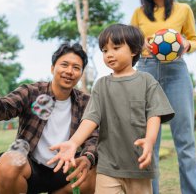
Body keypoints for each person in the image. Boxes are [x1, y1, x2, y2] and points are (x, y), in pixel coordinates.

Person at [0, 16, 98, 194]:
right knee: (7, 164)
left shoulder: (86, 102)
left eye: (76, 68)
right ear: (52, 68)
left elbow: (93, 140)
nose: (69, 71)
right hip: (30, 168)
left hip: (65, 169)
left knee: (95, 171)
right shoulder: (32, 92)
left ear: (81, 74)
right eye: (64, 64)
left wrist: (88, 158)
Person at [47, 24, 174, 194]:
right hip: (108, 168)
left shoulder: (146, 81)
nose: (109, 54)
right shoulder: (101, 85)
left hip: (139, 166)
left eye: (116, 47)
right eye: (105, 50)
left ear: (134, 50)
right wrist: (73, 142)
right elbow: (91, 118)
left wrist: (150, 140)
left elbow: (154, 114)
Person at [130, 0, 196, 194]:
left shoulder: (183, 9)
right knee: (149, 142)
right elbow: (131, 43)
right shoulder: (139, 13)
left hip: (176, 72)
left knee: (186, 142)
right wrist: (143, 46)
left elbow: (194, 39)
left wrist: (184, 44)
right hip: (146, 71)